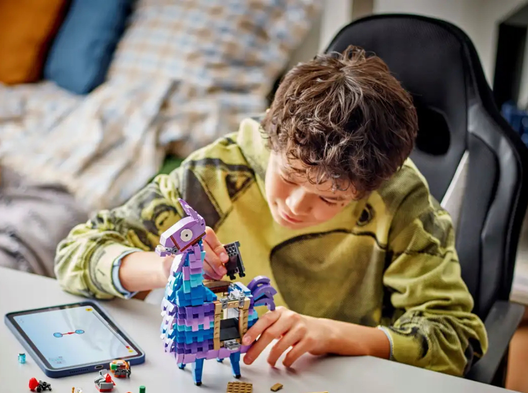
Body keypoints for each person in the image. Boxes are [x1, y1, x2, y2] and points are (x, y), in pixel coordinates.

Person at [55, 46, 487, 376]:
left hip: (352, 383)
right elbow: (77, 253)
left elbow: (455, 338)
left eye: (331, 199)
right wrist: (165, 269)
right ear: (271, 133)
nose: (296, 206)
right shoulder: (219, 173)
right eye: (289, 175)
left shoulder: (402, 199)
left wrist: (331, 334)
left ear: (371, 187)